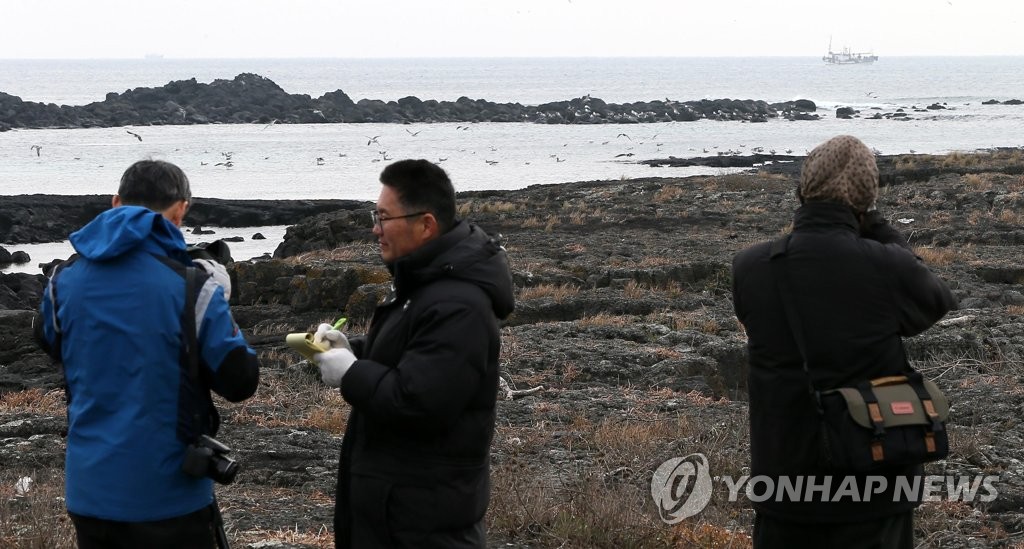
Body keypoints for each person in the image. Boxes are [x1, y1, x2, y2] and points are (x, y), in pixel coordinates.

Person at [731, 135, 957, 548]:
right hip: (875, 481)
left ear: (801, 191)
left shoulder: (750, 267)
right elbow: (936, 300)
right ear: (867, 199)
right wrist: (877, 225)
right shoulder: (885, 264)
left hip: (783, 481)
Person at [35, 159, 260, 548]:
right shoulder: (194, 287)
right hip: (169, 494)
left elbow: (48, 340)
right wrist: (221, 304)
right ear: (181, 209)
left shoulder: (63, 281)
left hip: (90, 490)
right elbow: (240, 381)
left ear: (116, 201)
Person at [311, 159, 515, 548]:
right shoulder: (423, 283)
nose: (375, 229)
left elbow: (419, 402)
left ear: (425, 225)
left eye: (384, 217)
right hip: (395, 516)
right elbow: (412, 353)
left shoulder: (460, 304)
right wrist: (352, 349)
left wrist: (352, 374)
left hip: (423, 525)